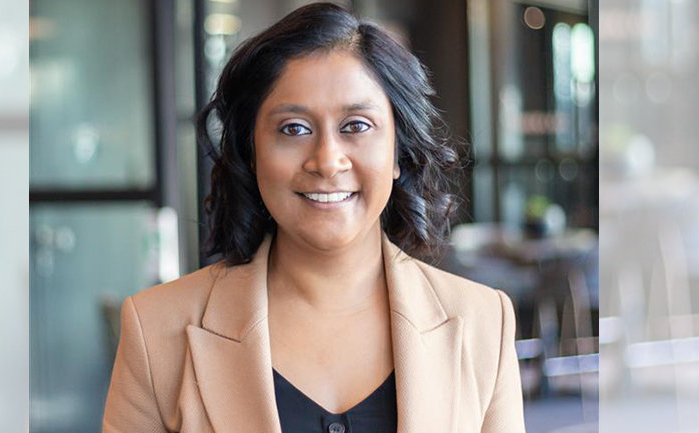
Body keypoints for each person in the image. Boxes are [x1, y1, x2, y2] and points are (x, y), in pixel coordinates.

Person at [102, 3, 525, 433]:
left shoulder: (482, 322)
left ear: (399, 150)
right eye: (294, 129)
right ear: (252, 154)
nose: (326, 161)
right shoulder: (157, 330)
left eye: (356, 126)